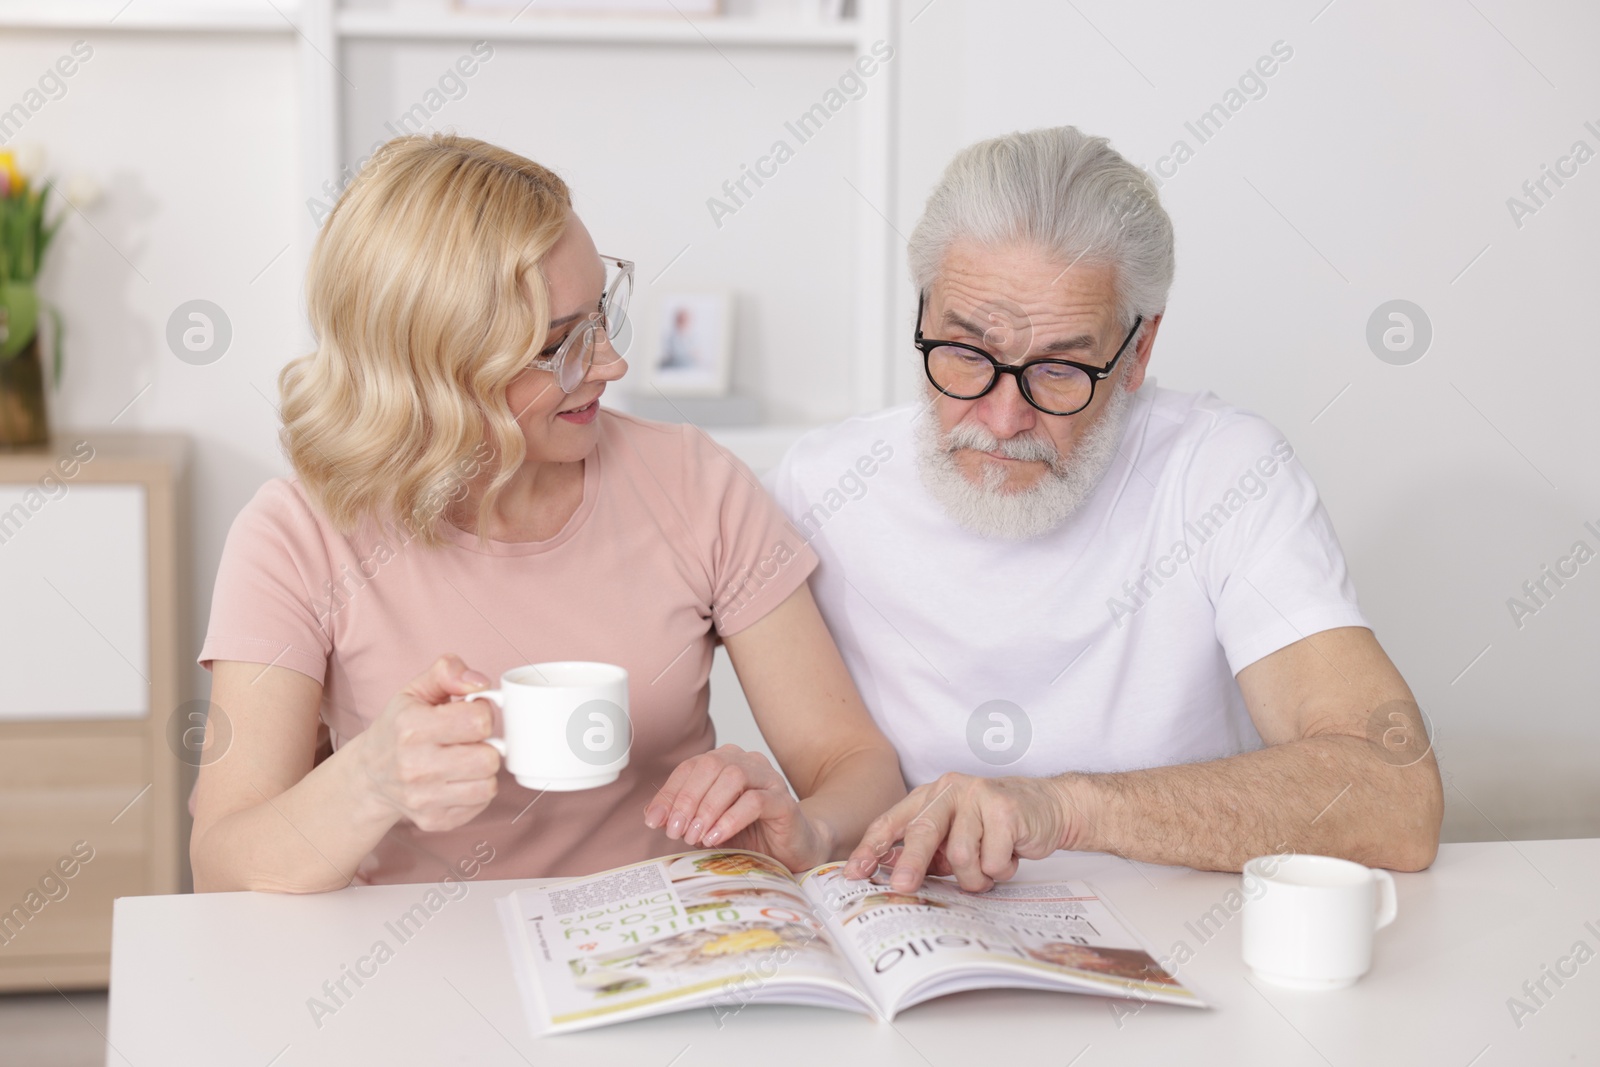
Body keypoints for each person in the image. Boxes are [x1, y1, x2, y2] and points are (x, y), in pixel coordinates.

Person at [190, 134, 904, 892]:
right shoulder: (296, 535)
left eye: (603, 316)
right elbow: (224, 868)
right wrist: (368, 782)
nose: (610, 364)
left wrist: (808, 824)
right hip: (414, 977)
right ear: (433, 368)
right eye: (560, 346)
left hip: (665, 955)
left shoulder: (696, 484)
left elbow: (857, 765)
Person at [766, 126, 1443, 893]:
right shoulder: (822, 486)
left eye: (1057, 370)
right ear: (923, 311)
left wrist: (1064, 809)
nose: (1000, 417)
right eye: (965, 352)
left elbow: (1398, 794)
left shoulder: (1223, 473)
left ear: (1139, 352)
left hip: (1189, 957)